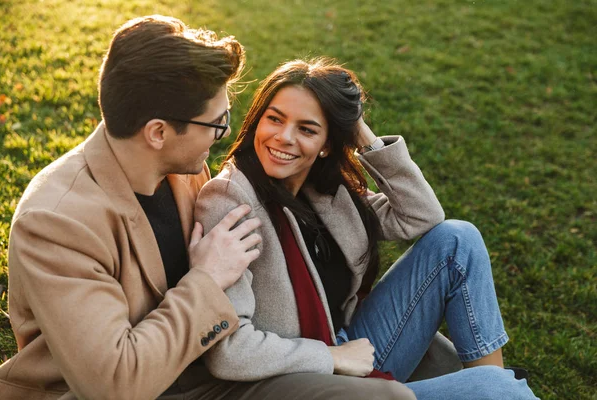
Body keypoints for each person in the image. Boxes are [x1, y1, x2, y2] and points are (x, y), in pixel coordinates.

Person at [0, 16, 418, 400]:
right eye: (216, 123)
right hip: (143, 391)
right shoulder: (57, 223)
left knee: (437, 361)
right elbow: (116, 382)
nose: (224, 135)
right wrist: (207, 277)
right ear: (158, 132)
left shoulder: (180, 168)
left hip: (207, 370)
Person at [194, 58, 539, 399]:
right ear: (257, 120)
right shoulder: (231, 200)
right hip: (298, 379)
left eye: (307, 129)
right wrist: (332, 357)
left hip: (350, 344)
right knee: (497, 390)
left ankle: (491, 378)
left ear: (327, 144)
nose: (284, 137)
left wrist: (358, 131)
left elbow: (421, 216)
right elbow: (228, 351)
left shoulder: (324, 191)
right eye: (275, 119)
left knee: (458, 239)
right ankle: (494, 388)